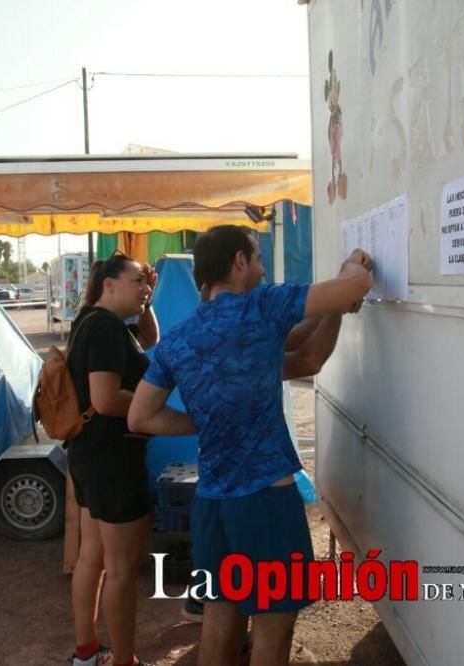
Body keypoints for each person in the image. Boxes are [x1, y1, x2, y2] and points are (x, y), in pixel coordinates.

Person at [128, 226, 373, 665]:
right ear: (239, 261)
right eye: (257, 256)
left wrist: (204, 420)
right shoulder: (263, 306)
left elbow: (140, 416)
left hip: (211, 504)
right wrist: (350, 265)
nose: (261, 266)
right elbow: (355, 286)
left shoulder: (180, 339)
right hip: (265, 500)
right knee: (272, 637)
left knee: (220, 628)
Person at [66, 252, 159, 666]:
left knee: (94, 558)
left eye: (147, 282)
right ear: (110, 284)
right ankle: (125, 660)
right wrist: (153, 409)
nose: (145, 287)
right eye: (138, 281)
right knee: (121, 568)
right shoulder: (105, 329)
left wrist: (147, 303)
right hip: (114, 459)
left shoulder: (92, 319)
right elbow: (105, 399)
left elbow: (150, 341)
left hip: (89, 455)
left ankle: (86, 652)